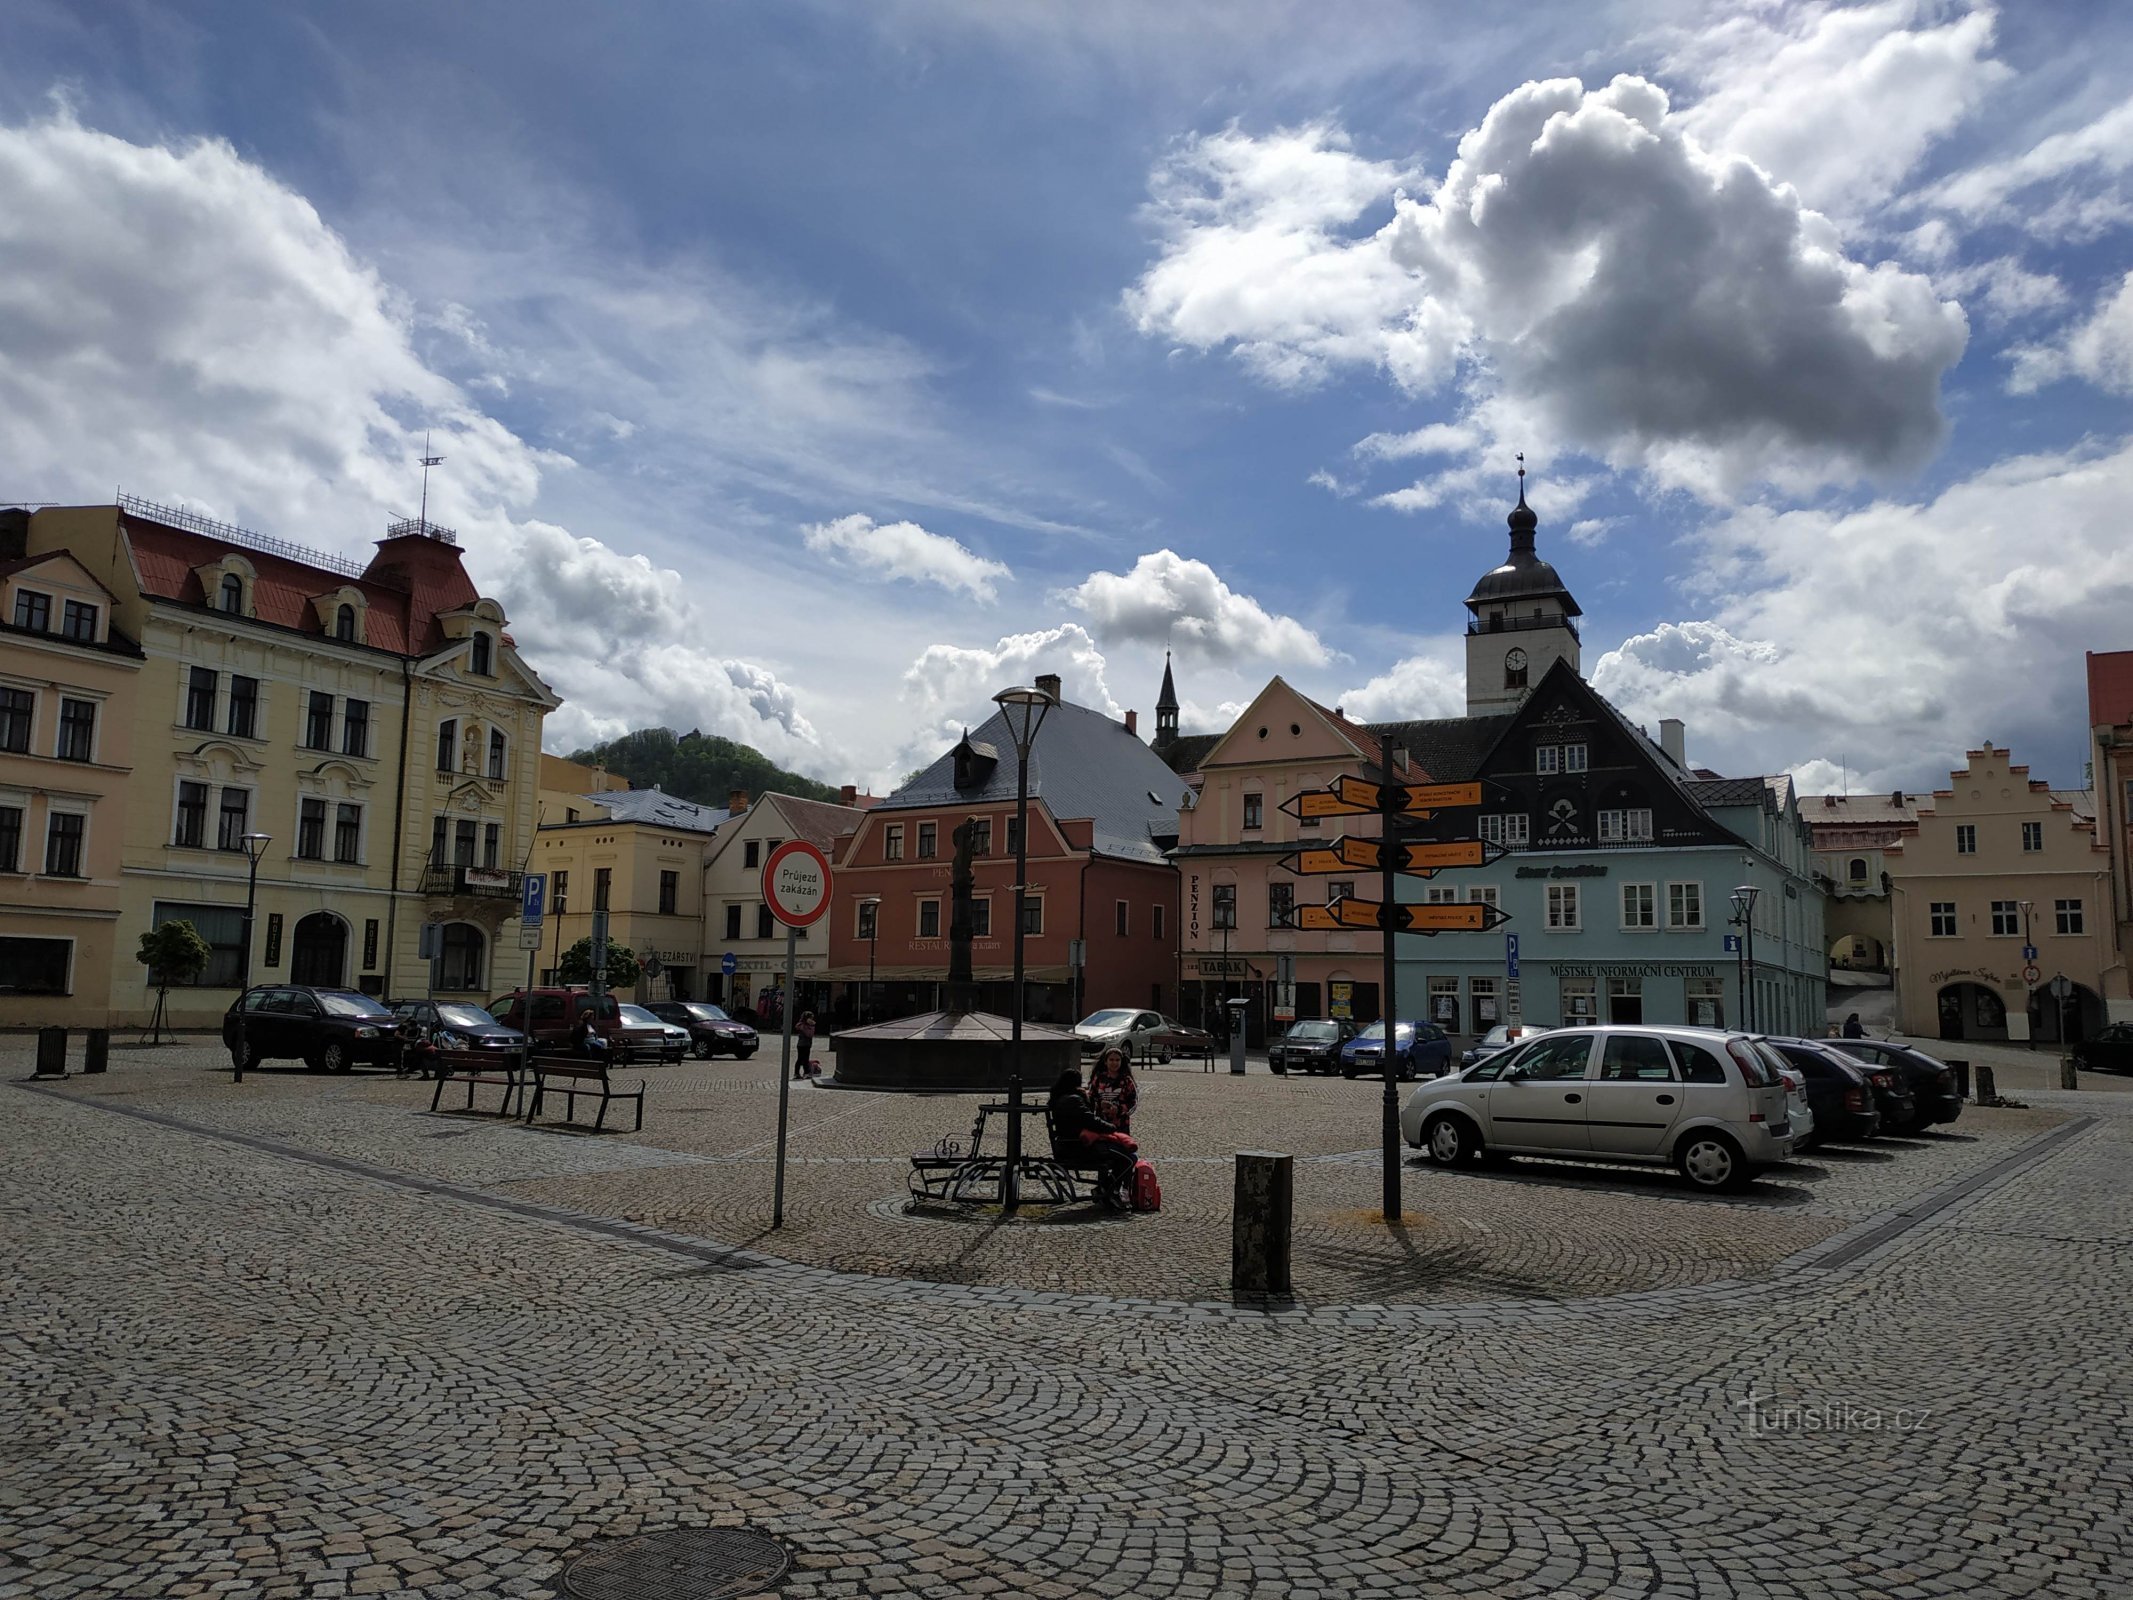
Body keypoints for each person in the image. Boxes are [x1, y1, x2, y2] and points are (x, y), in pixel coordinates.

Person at [1048, 1066, 1135, 1206]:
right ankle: (1106, 1189)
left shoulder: (1061, 1098)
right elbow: (1090, 1120)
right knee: (1129, 1159)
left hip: (1071, 1144)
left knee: (1124, 1156)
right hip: (1079, 1147)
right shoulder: (1073, 1100)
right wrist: (1111, 1128)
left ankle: (1105, 1189)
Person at [1088, 1046, 1138, 1134]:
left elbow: (1133, 1102)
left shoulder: (1126, 1080)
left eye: (1117, 1060)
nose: (1114, 1063)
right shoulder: (1098, 1078)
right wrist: (1099, 1104)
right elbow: (1091, 1098)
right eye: (1111, 1060)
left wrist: (1119, 1109)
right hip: (1101, 1122)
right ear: (1105, 1062)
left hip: (1121, 1124)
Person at [794, 1010, 818, 1077]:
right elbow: (809, 1034)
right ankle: (797, 1073)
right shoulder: (801, 1025)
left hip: (807, 1044)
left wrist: (812, 1025)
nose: (811, 1020)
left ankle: (806, 1072)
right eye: (810, 1018)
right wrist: (812, 1026)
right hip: (802, 1045)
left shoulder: (809, 1025)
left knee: (806, 1059)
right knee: (800, 1059)